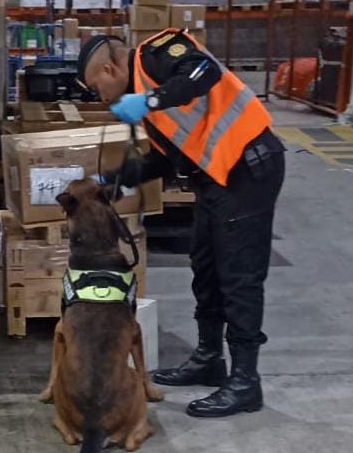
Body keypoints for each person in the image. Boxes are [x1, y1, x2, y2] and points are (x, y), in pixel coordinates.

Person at [76, 29, 285, 419]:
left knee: (238, 277)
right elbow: (166, 158)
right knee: (205, 269)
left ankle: (245, 382)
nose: (99, 98)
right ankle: (209, 359)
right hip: (215, 178)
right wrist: (114, 179)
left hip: (248, 168)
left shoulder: (157, 56)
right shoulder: (146, 100)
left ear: (108, 68)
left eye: (96, 87)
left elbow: (203, 72)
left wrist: (149, 100)